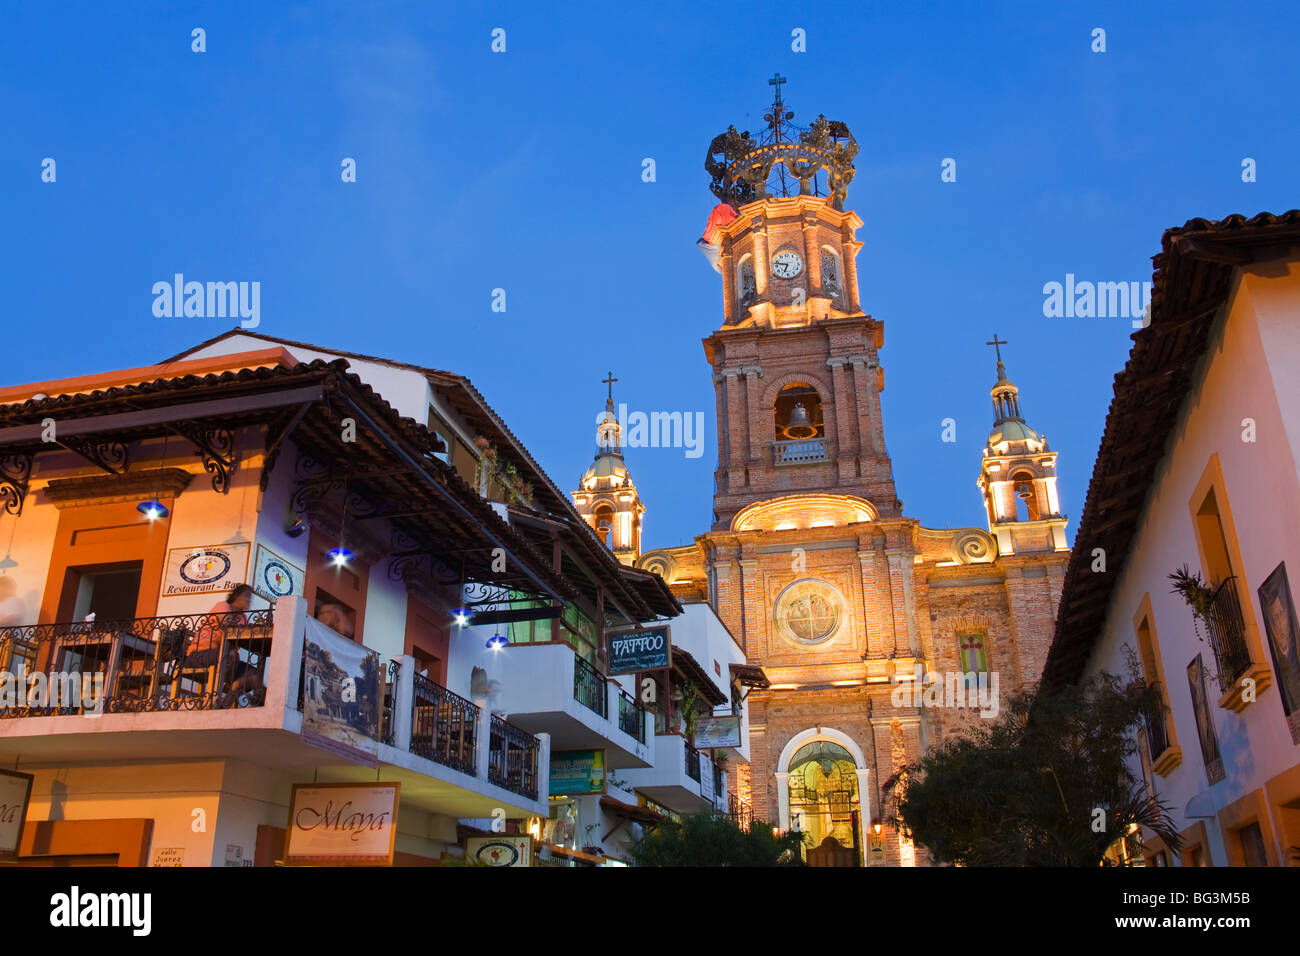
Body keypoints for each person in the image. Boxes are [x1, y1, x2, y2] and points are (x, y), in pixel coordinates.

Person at [185, 584, 264, 706]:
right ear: (236, 596)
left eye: (250, 598)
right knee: (230, 657)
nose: (249, 600)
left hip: (227, 660)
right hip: (199, 654)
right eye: (246, 596)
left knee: (254, 674)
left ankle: (264, 705)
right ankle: (221, 695)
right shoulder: (223, 606)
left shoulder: (242, 617)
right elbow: (227, 627)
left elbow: (248, 634)